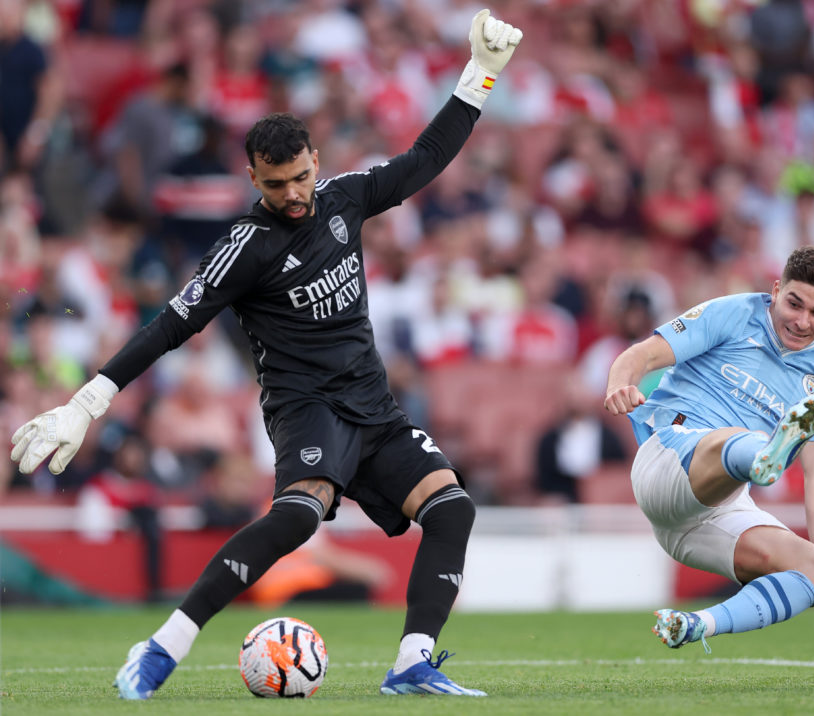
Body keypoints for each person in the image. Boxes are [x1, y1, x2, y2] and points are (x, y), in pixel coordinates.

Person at [9, 8, 523, 699]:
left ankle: (412, 663)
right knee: (296, 518)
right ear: (254, 177)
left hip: (371, 404)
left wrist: (479, 77)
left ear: (315, 162)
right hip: (305, 408)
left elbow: (423, 162)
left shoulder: (344, 200)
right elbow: (169, 325)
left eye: (301, 178)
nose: (292, 196)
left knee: (452, 507)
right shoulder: (244, 248)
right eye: (275, 184)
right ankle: (166, 643)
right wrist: (87, 401)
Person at [603, 246, 814, 652]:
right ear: (775, 290)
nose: (803, 321)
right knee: (737, 438)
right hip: (667, 460)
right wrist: (619, 384)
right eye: (794, 304)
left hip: (716, 512)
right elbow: (642, 354)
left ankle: (696, 625)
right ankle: (761, 455)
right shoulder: (734, 313)